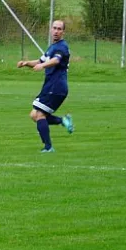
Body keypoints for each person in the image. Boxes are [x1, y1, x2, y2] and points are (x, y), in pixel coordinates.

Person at [17, 19, 74, 153]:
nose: (56, 31)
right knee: (34, 115)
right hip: (50, 86)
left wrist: (42, 66)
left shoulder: (62, 46)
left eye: (59, 29)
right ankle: (62, 121)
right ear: (50, 30)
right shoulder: (52, 47)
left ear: (63, 32)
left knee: (40, 115)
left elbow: (56, 60)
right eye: (54, 28)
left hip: (56, 87)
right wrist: (26, 63)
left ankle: (48, 147)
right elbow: (40, 60)